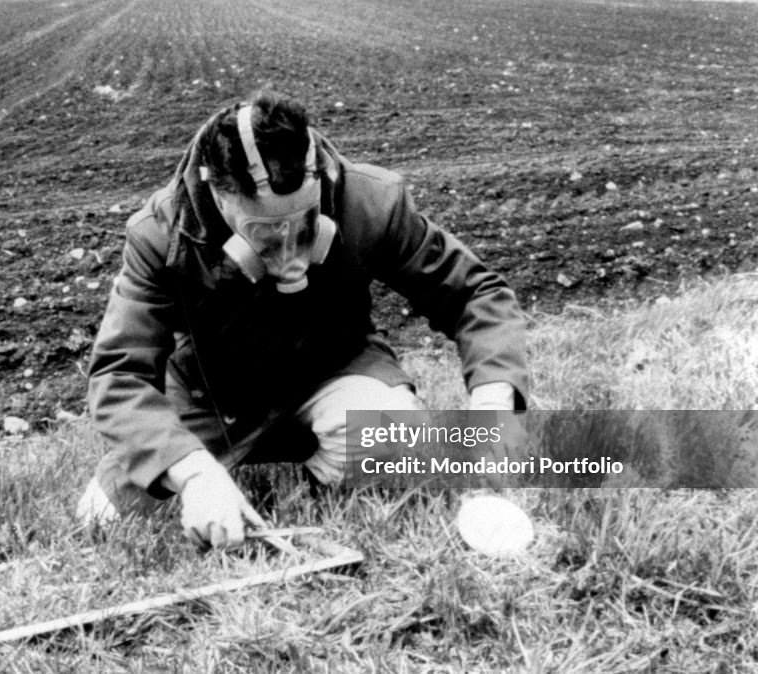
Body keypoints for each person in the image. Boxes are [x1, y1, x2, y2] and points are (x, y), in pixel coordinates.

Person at [77, 91, 529, 549]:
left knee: (395, 441)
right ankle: (212, 471)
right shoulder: (160, 234)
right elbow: (119, 374)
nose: (291, 258)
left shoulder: (369, 201)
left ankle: (329, 469)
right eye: (265, 235)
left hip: (331, 368)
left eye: (307, 225)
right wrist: (192, 471)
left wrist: (494, 398)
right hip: (213, 395)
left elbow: (475, 293)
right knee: (100, 521)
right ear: (217, 191)